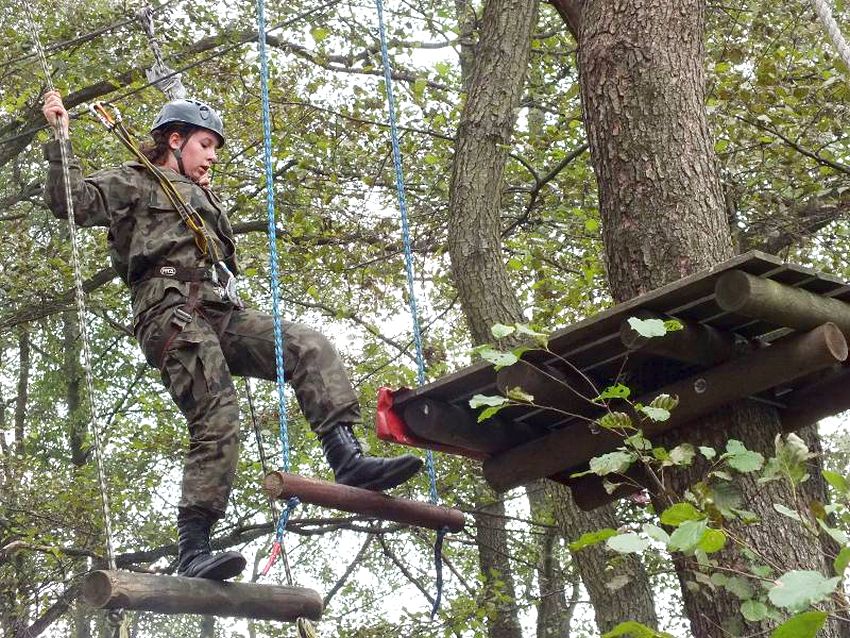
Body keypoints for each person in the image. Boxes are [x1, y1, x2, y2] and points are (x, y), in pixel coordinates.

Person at [41, 91, 423, 581]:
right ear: (174, 141)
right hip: (171, 313)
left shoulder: (205, 200)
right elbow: (69, 202)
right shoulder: (135, 180)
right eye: (206, 145)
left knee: (306, 344)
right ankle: (193, 546)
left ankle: (346, 457)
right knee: (217, 413)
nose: (213, 157)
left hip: (220, 310)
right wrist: (59, 137)